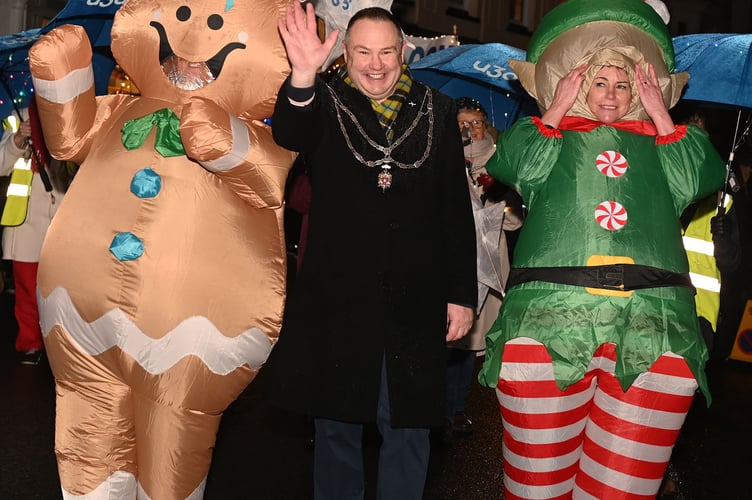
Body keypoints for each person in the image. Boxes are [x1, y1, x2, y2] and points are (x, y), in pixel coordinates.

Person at [477, 1, 726, 498]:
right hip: (549, 322)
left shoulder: (669, 145)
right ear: (573, 83)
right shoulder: (544, 138)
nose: (611, 95)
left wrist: (659, 112)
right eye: (597, 82)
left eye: (623, 84)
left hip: (653, 326)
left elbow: (702, 177)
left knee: (623, 489)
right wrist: (555, 108)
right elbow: (512, 163)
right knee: (537, 485)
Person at [265, 3, 477, 499]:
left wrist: (461, 295)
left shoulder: (438, 110)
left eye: (386, 52)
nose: (375, 64)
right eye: (363, 52)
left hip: (416, 301)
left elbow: (454, 211)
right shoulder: (322, 101)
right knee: (337, 431)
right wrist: (302, 73)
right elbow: (288, 133)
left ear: (403, 52)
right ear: (345, 52)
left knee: (409, 429)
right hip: (338, 301)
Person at [443, 97, 522, 440]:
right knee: (444, 338)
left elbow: (516, 221)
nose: (469, 130)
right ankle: (436, 408)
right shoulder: (441, 158)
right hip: (449, 264)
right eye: (461, 124)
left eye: (474, 123)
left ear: (486, 125)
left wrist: (494, 199)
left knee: (469, 342)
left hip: (487, 268)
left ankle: (456, 408)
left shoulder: (502, 164)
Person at [0, 104, 66, 365]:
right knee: (27, 289)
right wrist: (17, 140)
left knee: (60, 290)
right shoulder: (16, 119)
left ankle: (60, 344)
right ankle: (31, 342)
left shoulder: (69, 114)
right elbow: (2, 164)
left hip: (61, 217)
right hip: (25, 221)